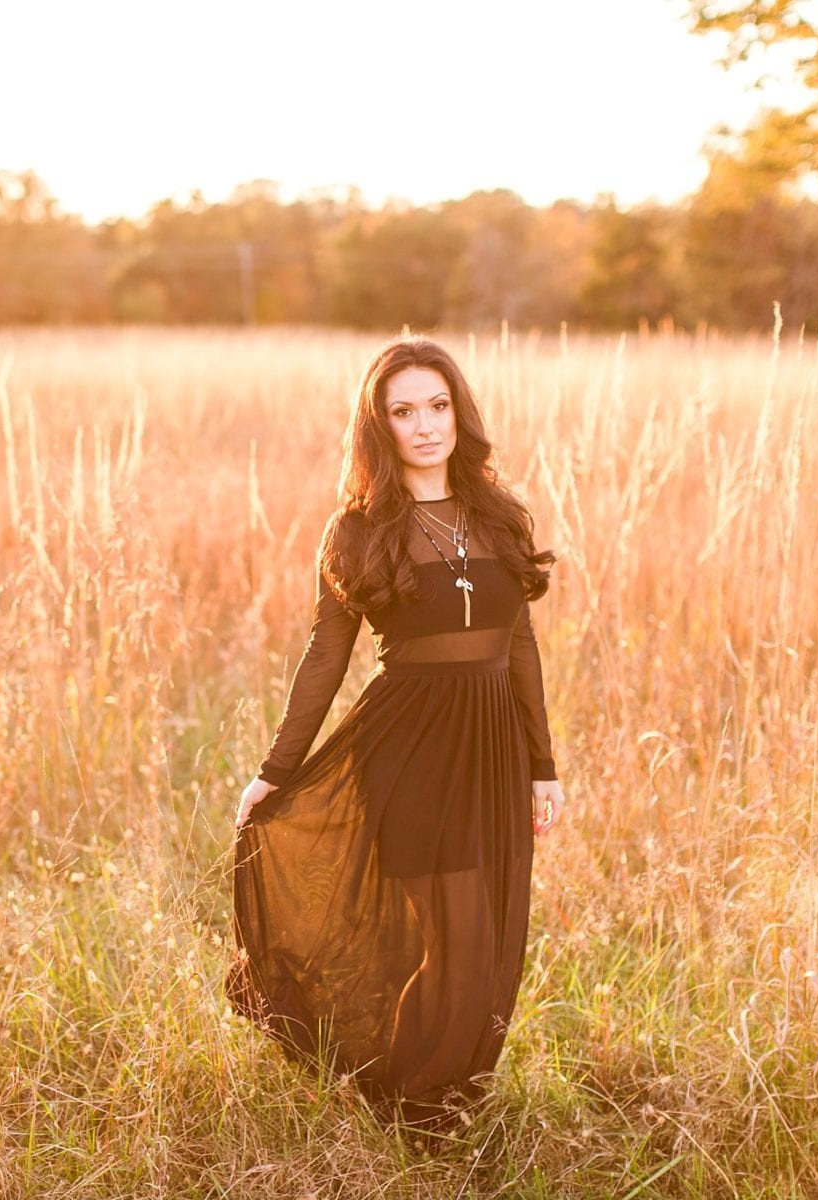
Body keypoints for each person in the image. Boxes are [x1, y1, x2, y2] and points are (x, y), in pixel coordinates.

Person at [224, 334, 566, 1133]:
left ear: (459, 412)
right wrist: (276, 771)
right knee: (451, 941)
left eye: (438, 406)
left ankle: (434, 1094)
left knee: (479, 946)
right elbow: (324, 656)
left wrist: (542, 766)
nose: (424, 425)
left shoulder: (499, 518)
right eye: (403, 410)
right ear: (379, 425)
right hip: (406, 752)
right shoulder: (359, 530)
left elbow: (519, 646)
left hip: (492, 753)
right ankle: (418, 1109)